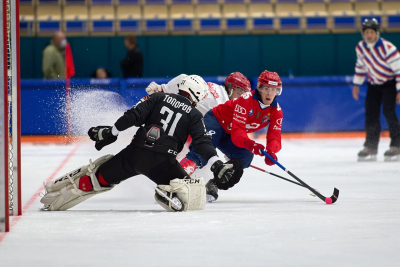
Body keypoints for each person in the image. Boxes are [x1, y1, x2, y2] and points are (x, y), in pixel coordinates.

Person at [40, 75, 242, 212]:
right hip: (163, 163)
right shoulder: (195, 115)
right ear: (198, 96)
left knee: (98, 178)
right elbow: (203, 143)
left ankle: (65, 189)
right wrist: (217, 164)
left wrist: (111, 132)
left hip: (134, 154)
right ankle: (168, 192)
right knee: (195, 194)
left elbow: (133, 116)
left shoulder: (158, 98)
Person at [180, 70, 284, 202]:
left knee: (245, 156)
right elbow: (238, 134)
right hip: (217, 121)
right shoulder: (246, 100)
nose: (269, 93)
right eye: (266, 88)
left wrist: (271, 151)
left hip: (230, 132)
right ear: (260, 88)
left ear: (278, 91)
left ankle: (214, 183)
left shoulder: (277, 111)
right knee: (201, 154)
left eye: (274, 89)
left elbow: (275, 137)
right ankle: (172, 181)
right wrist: (252, 145)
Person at [145, 72, 251, 175]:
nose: (241, 98)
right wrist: (231, 151)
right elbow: (218, 131)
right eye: (239, 92)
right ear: (231, 89)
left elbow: (184, 78)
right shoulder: (223, 104)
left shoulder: (214, 86)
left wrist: (162, 88)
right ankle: (172, 177)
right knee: (197, 154)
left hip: (174, 120)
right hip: (182, 127)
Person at [352, 18, 400, 162]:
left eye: (371, 32)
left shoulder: (388, 48)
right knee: (371, 113)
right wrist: (356, 84)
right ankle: (371, 147)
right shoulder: (360, 47)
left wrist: (399, 90)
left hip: (389, 84)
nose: (369, 35)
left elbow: (399, 70)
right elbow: (360, 66)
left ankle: (397, 145)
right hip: (373, 84)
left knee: (388, 111)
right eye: (366, 32)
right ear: (363, 34)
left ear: (376, 33)